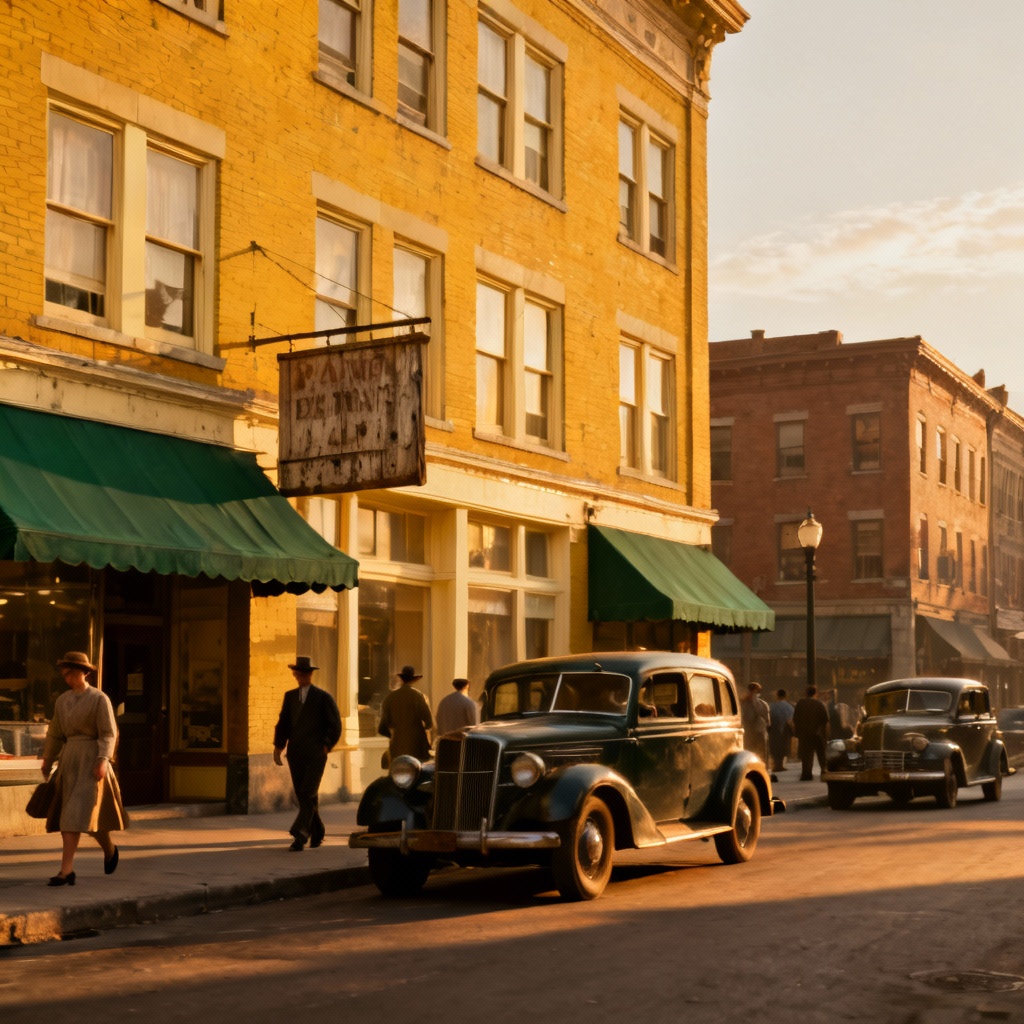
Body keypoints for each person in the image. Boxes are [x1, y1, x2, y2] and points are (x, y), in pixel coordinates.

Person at [40, 651, 127, 886]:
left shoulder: (99, 699)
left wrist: (103, 759)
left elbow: (109, 733)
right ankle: (68, 870)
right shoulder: (62, 701)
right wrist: (48, 759)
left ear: (83, 673)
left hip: (92, 760)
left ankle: (106, 851)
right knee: (73, 816)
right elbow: (55, 732)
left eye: (70, 672)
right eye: (64, 673)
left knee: (82, 816)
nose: (66, 677)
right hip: (70, 761)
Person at [273, 656, 342, 851]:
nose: (301, 677)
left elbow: (335, 724)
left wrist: (326, 745)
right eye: (298, 674)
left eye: (305, 674)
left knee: (307, 792)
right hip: (296, 753)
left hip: (315, 753)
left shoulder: (323, 697)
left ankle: (300, 834)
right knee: (305, 796)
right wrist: (279, 747)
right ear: (295, 674)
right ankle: (318, 831)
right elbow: (284, 723)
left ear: (311, 674)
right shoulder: (290, 696)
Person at [378, 665, 433, 765]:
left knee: (398, 771)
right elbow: (429, 722)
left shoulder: (390, 698)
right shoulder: (419, 696)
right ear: (413, 680)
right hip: (417, 746)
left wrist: (394, 736)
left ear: (401, 679)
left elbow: (382, 728)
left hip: (398, 746)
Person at [793, 684, 830, 781]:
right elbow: (825, 719)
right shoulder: (819, 704)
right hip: (817, 733)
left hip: (804, 734)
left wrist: (798, 732)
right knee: (821, 753)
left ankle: (806, 774)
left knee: (806, 755)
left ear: (806, 693)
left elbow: (795, 718)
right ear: (815, 693)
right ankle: (824, 771)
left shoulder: (800, 703)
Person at [739, 682, 770, 763]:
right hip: (748, 732)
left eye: (755, 692)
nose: (753, 694)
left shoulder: (762, 704)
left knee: (760, 754)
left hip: (758, 732)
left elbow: (765, 718)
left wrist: (754, 700)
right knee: (749, 753)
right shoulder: (742, 703)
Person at [768, 688, 795, 772]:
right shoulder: (789, 707)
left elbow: (768, 718)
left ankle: (776, 765)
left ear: (777, 695)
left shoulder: (772, 706)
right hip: (785, 731)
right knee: (783, 747)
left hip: (774, 730)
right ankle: (779, 765)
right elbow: (791, 720)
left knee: (775, 747)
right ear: (785, 696)